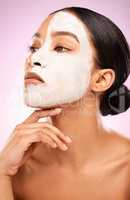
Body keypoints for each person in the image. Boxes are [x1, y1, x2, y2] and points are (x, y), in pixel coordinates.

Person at [0, 6, 130, 200]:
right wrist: (2, 173)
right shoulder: (15, 166)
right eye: (34, 47)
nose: (34, 58)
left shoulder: (126, 168)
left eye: (61, 47)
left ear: (101, 80)